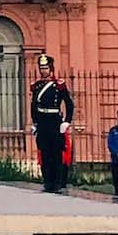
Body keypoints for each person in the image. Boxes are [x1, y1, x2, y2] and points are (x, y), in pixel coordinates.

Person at [29, 55, 74, 194]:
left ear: (51, 69)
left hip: (54, 120)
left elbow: (69, 104)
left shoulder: (58, 85)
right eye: (42, 68)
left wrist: (67, 121)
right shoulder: (37, 86)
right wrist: (35, 122)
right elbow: (34, 106)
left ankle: (57, 182)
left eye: (46, 68)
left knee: (56, 152)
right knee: (44, 152)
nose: (43, 71)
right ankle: (47, 181)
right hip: (42, 121)